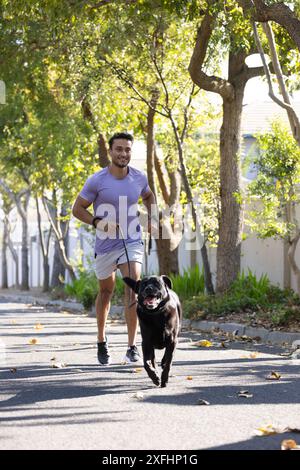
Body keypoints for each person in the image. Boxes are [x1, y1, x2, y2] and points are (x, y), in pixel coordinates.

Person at [72, 132, 157, 366]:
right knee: (106, 292)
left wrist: (154, 218)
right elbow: (77, 209)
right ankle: (101, 340)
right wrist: (98, 222)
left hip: (131, 240)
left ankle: (132, 346)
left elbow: (149, 197)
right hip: (105, 244)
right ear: (110, 152)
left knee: (133, 287)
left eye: (127, 149)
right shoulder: (97, 180)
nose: (123, 153)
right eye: (119, 149)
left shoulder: (139, 178)